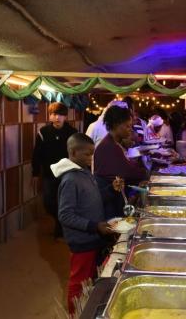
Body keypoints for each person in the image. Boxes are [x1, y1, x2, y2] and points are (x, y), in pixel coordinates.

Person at [51, 133, 122, 314]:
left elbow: (95, 199)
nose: (91, 158)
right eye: (87, 154)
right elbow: (65, 215)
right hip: (82, 241)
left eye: (93, 154)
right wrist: (94, 225)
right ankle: (75, 314)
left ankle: (86, 310)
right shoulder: (70, 179)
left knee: (89, 280)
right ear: (74, 152)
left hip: (92, 238)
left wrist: (111, 190)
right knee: (78, 283)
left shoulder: (84, 173)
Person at [32, 102, 77, 238]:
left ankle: (62, 226)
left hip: (67, 174)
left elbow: (76, 154)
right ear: (50, 116)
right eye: (53, 114)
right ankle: (59, 221)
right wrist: (35, 173)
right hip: (49, 174)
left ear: (65, 117)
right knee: (48, 202)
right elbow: (36, 154)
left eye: (60, 115)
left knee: (66, 202)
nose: (57, 117)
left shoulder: (72, 133)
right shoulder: (43, 132)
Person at [94, 106, 148, 218]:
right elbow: (127, 172)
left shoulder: (115, 143)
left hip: (115, 194)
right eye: (127, 126)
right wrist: (146, 173)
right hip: (110, 198)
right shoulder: (109, 146)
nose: (130, 129)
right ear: (115, 125)